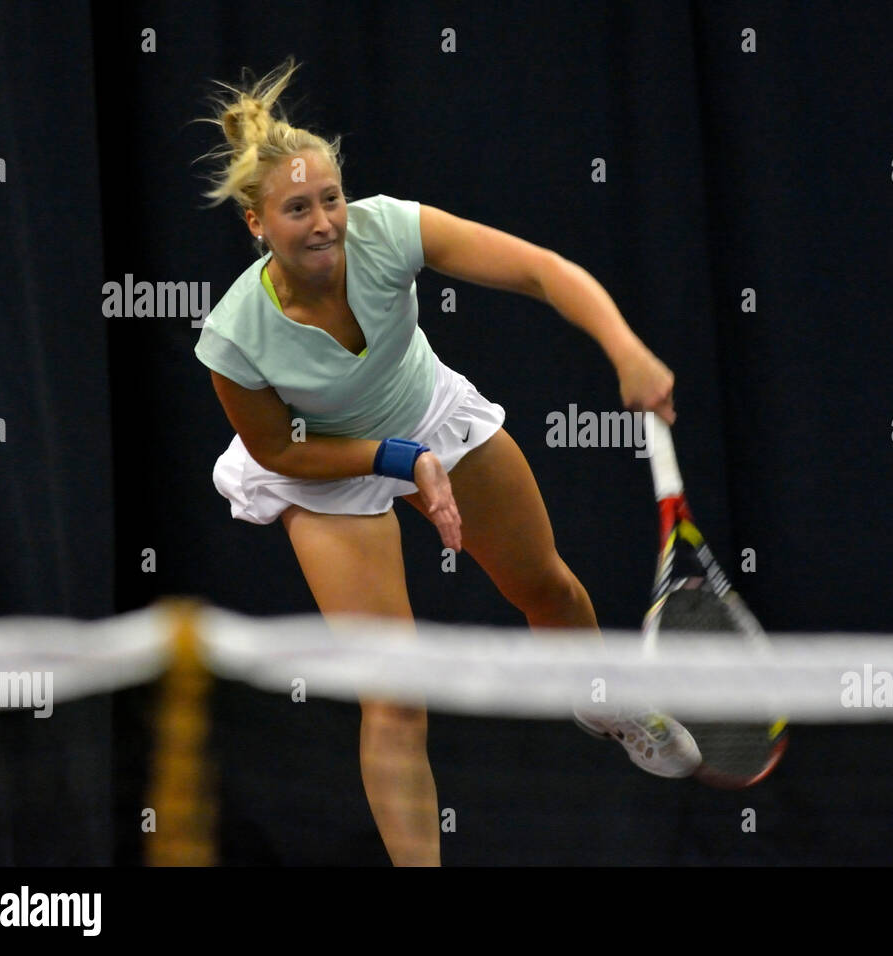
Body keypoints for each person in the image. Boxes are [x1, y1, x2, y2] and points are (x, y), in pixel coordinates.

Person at [192, 58, 700, 866]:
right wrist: (402, 463)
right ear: (256, 224)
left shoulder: (389, 229)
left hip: (427, 410)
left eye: (331, 199)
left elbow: (541, 270)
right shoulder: (234, 337)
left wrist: (624, 348)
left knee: (549, 588)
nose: (324, 221)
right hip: (320, 466)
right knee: (395, 699)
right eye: (297, 209)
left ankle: (603, 700)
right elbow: (279, 448)